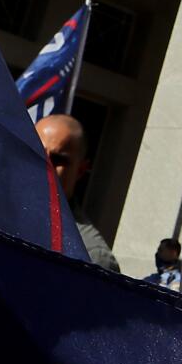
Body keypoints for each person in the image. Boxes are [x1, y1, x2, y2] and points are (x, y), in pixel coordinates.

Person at [35, 113, 119, 272]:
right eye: (36, 151)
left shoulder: (91, 256)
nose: (45, 164)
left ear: (80, 170)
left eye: (58, 159)